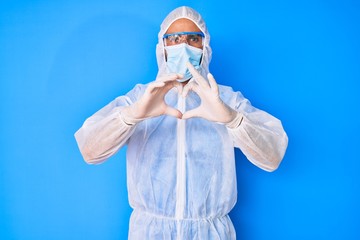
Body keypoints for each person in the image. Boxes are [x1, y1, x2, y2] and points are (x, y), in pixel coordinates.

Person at [74, 6, 288, 239]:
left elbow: (273, 156)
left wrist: (233, 119)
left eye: (193, 39)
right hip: (149, 233)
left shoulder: (225, 99)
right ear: (162, 47)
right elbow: (90, 150)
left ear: (205, 47)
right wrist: (132, 115)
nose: (183, 46)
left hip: (210, 233)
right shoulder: (141, 97)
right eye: (174, 39)